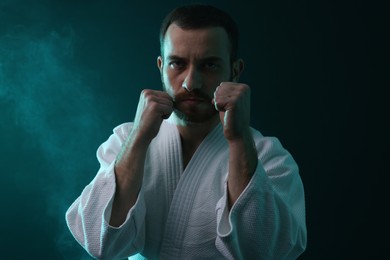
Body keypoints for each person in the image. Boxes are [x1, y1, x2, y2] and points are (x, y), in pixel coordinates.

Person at [65, 3, 307, 259]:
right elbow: (101, 244)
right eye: (177, 64)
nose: (191, 83)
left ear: (235, 71)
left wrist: (239, 142)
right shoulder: (126, 139)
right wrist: (138, 138)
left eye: (209, 65)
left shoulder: (268, 156)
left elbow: (260, 252)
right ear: (160, 66)